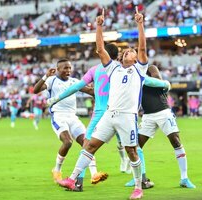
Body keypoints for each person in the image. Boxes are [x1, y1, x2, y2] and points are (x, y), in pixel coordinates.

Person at [57, 7, 152, 200]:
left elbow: (142, 48)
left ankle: (138, 187)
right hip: (110, 114)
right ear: (121, 57)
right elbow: (100, 48)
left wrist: (140, 24)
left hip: (127, 116)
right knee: (90, 145)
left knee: (131, 151)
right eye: (126, 52)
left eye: (132, 51)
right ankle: (73, 178)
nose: (130, 52)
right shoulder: (113, 68)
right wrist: (99, 26)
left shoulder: (140, 69)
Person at [47, 44, 170, 186]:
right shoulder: (121, 68)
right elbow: (147, 80)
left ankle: (78, 182)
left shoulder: (95, 70)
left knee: (87, 146)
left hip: (100, 113)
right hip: (120, 113)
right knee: (133, 147)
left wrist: (57, 98)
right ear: (118, 55)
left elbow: (77, 86)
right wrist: (165, 84)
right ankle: (142, 179)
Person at [33, 58, 107, 191]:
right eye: (65, 68)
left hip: (73, 117)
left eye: (69, 68)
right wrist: (45, 76)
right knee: (67, 142)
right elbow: (35, 90)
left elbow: (90, 91)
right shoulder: (52, 80)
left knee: (87, 143)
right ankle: (57, 170)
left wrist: (100, 91)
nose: (68, 70)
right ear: (58, 69)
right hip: (59, 116)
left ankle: (94, 174)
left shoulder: (74, 81)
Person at [125, 65, 196, 189]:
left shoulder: (151, 69)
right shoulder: (131, 76)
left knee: (176, 141)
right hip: (147, 115)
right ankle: (139, 177)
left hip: (163, 112)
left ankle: (184, 178)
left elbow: (158, 81)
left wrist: (139, 78)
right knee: (135, 146)